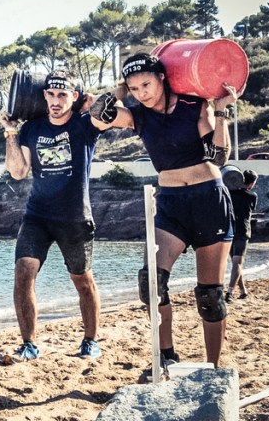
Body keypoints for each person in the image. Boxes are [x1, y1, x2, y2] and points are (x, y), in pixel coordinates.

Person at [88, 52, 239, 371]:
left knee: (209, 296)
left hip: (208, 199)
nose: (142, 92)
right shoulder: (137, 116)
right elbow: (99, 117)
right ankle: (166, 356)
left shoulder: (193, 105)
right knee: (151, 282)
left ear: (162, 78)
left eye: (146, 84)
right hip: (169, 203)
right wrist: (118, 93)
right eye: (134, 87)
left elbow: (219, 157)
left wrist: (221, 112)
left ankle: (212, 367)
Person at [0, 69, 103, 363]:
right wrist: (10, 133)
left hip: (74, 217)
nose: (56, 101)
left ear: (73, 96)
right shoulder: (32, 128)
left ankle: (91, 340)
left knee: (82, 280)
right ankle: (29, 344)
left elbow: (109, 109)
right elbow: (19, 172)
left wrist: (98, 103)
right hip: (38, 215)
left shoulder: (85, 125)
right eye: (51, 94)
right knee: (23, 272)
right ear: (43, 95)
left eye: (62, 95)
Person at [226, 169, 258, 302]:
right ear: (251, 183)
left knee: (236, 264)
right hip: (242, 232)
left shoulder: (229, 194)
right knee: (237, 264)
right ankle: (229, 293)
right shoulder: (252, 196)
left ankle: (243, 291)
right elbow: (252, 209)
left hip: (229, 231)